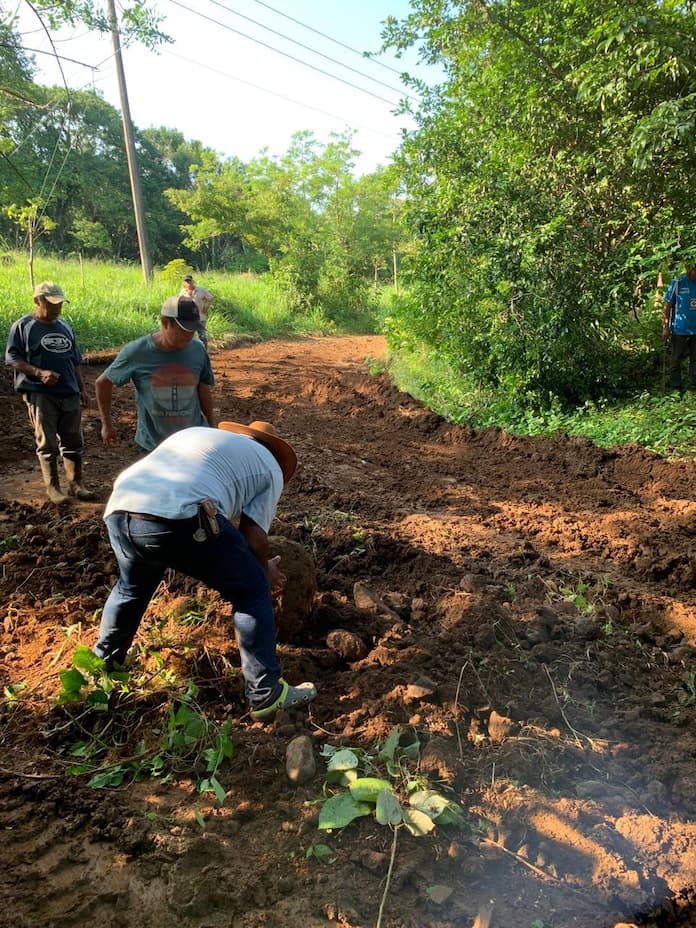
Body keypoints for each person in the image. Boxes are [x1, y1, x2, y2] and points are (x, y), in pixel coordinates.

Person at [93, 420, 317, 721]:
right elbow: (254, 537)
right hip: (181, 514)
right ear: (275, 453)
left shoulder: (198, 437)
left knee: (130, 590)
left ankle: (100, 682)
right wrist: (265, 570)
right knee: (250, 589)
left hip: (121, 508)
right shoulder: (270, 465)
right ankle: (266, 693)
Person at [5, 281, 94, 503]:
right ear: (38, 301)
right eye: (52, 303)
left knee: (74, 439)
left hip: (69, 391)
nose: (57, 308)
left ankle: (76, 483)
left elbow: (75, 361)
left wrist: (82, 389)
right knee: (47, 442)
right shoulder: (23, 327)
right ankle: (53, 487)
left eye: (60, 303)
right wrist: (38, 372)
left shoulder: (64, 326)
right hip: (40, 393)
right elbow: (12, 358)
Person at [95, 295, 216, 453]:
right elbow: (102, 383)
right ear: (165, 322)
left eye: (193, 330)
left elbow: (203, 388)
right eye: (184, 330)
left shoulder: (198, 350)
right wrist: (107, 425)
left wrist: (212, 427)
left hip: (193, 441)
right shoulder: (137, 352)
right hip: (153, 446)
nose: (189, 336)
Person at [663, 263, 696, 390]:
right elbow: (667, 307)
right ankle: (676, 388)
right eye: (692, 270)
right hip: (679, 329)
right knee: (676, 360)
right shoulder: (678, 282)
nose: (693, 273)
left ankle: (694, 387)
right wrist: (666, 327)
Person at [180, 274, 214, 348]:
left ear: (193, 281)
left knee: (202, 336)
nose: (188, 283)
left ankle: (205, 351)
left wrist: (206, 307)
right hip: (189, 317)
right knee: (189, 336)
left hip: (200, 316)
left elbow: (210, 298)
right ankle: (191, 352)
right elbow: (180, 302)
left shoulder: (200, 290)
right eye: (186, 281)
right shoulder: (183, 292)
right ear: (184, 283)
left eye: (189, 281)